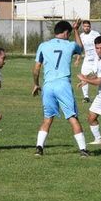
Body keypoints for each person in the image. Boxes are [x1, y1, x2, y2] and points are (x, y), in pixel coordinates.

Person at [33, 19, 90, 158]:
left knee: (48, 118)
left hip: (48, 85)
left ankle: (39, 148)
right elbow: (80, 48)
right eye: (69, 33)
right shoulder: (70, 45)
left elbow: (36, 69)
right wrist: (76, 29)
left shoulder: (43, 45)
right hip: (63, 84)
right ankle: (83, 149)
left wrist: (36, 84)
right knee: (72, 117)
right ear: (66, 33)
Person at [76, 20, 101, 103]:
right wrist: (78, 59)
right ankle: (86, 97)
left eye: (88, 26)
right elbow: (80, 48)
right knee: (83, 76)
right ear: (82, 27)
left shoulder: (95, 34)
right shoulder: (81, 36)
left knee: (98, 76)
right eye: (85, 26)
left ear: (90, 27)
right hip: (87, 59)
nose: (86, 28)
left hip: (96, 59)